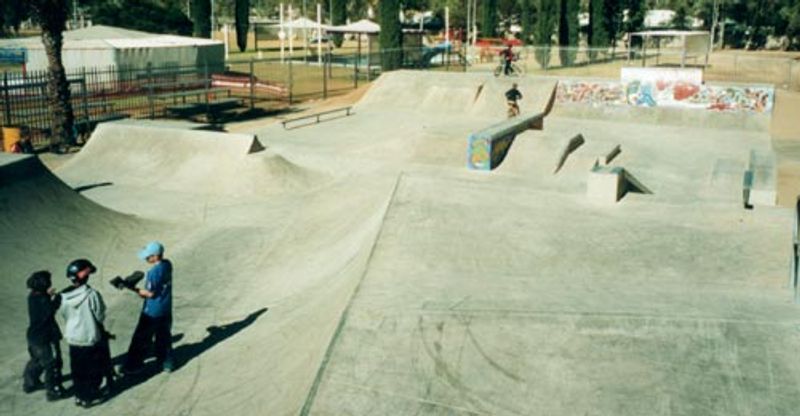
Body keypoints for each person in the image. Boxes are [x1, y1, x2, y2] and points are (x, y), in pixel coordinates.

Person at [59, 259, 107, 408]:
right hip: (89, 337)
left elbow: (64, 314)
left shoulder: (63, 296)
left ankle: (79, 395)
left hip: (73, 338)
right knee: (93, 369)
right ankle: (90, 395)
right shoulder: (92, 294)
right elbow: (100, 314)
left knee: (77, 369)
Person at [121, 241, 174, 374]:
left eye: (148, 256)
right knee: (164, 336)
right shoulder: (167, 264)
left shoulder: (153, 272)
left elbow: (150, 293)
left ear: (155, 256)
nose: (146, 258)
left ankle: (133, 365)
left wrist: (134, 288)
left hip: (152, 312)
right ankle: (166, 362)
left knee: (141, 338)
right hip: (166, 308)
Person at [23, 271, 66, 401]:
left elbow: (42, 304)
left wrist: (47, 296)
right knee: (51, 364)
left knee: (36, 360)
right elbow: (50, 310)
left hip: (33, 336)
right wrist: (57, 299)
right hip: (46, 336)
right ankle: (52, 390)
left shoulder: (33, 296)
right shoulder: (42, 299)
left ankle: (30, 383)